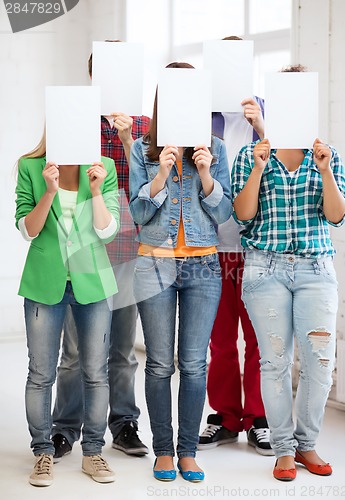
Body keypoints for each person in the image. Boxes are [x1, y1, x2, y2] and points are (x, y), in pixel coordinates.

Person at [231, 108, 345, 478]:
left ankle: (307, 445)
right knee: (275, 363)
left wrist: (325, 169)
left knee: (319, 365)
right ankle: (284, 448)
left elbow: (337, 215)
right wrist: (258, 168)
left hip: (316, 270)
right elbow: (242, 216)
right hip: (265, 269)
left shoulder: (326, 155)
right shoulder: (251, 156)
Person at [129, 62, 232, 482]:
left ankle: (187, 451)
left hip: (204, 265)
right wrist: (161, 175)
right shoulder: (142, 148)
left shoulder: (217, 149)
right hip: (154, 262)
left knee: (193, 364)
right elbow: (136, 212)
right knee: (158, 364)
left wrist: (205, 173)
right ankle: (164, 451)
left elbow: (223, 214)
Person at [51, 42, 150, 461]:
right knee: (74, 349)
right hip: (84, 247)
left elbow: (148, 185)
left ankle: (124, 424)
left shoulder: (146, 125)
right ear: (94, 78)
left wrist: (129, 138)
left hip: (127, 246)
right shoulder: (76, 121)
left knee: (123, 347)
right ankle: (64, 427)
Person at [15, 131, 120, 486]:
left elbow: (107, 231)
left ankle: (93, 452)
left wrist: (94, 192)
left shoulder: (102, 167)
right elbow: (29, 230)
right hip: (45, 284)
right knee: (41, 373)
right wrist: (49, 191)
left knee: (95, 371)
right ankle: (42, 452)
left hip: (92, 282)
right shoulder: (31, 167)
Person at [198, 35, 273, 456]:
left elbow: (287, 167)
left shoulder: (266, 109)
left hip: (259, 248)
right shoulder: (199, 116)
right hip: (213, 246)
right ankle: (226, 417)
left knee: (261, 337)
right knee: (221, 340)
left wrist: (265, 127)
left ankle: (259, 417)